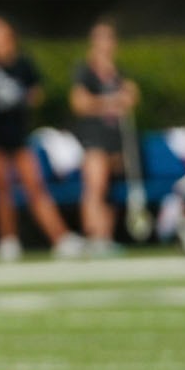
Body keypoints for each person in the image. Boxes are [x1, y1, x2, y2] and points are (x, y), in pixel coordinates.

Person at [0, 15, 84, 261]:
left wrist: (23, 98)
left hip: (18, 134)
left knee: (34, 185)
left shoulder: (22, 64)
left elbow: (36, 92)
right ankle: (8, 241)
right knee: (2, 189)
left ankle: (59, 237)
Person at [70, 21, 140, 256]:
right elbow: (80, 103)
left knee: (110, 188)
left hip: (114, 137)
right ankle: (93, 234)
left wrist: (126, 97)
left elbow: (131, 96)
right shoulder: (85, 71)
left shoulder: (117, 73)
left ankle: (105, 237)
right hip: (93, 136)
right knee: (95, 185)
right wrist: (110, 102)